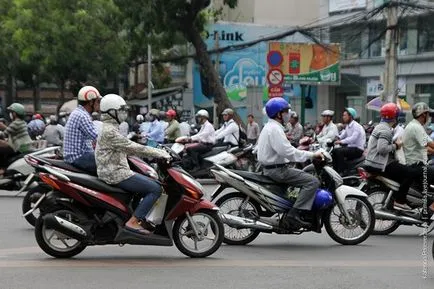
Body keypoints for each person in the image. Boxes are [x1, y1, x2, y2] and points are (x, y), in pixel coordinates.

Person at [96, 94, 170, 235]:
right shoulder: (110, 131)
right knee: (156, 189)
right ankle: (134, 221)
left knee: (147, 180)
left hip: (115, 168)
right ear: (112, 112)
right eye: (121, 110)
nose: (124, 113)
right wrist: (159, 153)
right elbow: (133, 147)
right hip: (115, 172)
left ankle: (140, 216)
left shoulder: (110, 127)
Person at [257, 97, 322, 228]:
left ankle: (290, 208)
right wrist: (312, 155)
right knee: (312, 181)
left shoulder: (269, 127)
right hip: (278, 171)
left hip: (271, 168)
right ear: (279, 114)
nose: (289, 114)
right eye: (286, 111)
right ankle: (294, 214)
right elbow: (288, 152)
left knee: (301, 174)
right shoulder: (275, 129)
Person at [364, 103, 415, 210]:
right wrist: (396, 145)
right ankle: (400, 201)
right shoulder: (385, 130)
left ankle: (395, 198)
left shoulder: (380, 126)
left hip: (374, 162)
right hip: (380, 164)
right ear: (395, 117)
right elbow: (382, 149)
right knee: (410, 173)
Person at [63, 85, 101, 174]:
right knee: (110, 165)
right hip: (78, 157)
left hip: (75, 156)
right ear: (91, 102)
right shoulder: (82, 116)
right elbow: (98, 137)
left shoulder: (79, 113)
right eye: (97, 101)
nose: (98, 105)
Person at [403, 102, 434, 185]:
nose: (429, 117)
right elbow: (431, 144)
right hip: (415, 165)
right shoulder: (416, 127)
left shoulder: (414, 125)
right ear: (423, 114)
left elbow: (425, 148)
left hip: (413, 163)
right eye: (428, 114)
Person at [0, 103, 33, 174]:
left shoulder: (16, 123)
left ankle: (3, 169)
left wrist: (2, 127)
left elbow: (4, 134)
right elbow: (11, 131)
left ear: (15, 113)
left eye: (11, 112)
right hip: (25, 145)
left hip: (21, 147)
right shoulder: (21, 122)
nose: (10, 114)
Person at [333, 107, 366, 174]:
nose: (343, 117)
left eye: (345, 115)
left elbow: (353, 138)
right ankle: (335, 171)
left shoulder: (356, 126)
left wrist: (341, 141)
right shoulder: (348, 126)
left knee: (339, 152)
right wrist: (337, 138)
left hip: (358, 149)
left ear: (350, 116)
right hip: (351, 148)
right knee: (334, 151)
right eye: (343, 115)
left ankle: (341, 172)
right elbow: (343, 135)